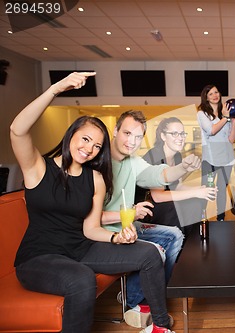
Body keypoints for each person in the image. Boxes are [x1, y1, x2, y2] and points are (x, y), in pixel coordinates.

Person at [10, 72, 174, 333]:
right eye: (85, 139)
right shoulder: (38, 168)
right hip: (39, 258)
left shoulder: (95, 178)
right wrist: (55, 89)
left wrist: (117, 238)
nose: (90, 148)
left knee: (151, 254)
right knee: (82, 279)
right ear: (71, 134)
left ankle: (161, 326)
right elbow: (17, 130)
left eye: (97, 146)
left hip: (81, 249)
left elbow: (90, 229)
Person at [101, 110, 199, 329]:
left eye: (138, 137)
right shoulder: (99, 164)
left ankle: (138, 296)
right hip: (108, 231)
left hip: (130, 223)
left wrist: (183, 167)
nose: (132, 141)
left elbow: (159, 176)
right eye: (127, 133)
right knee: (157, 247)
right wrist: (130, 214)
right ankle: (144, 301)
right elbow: (89, 218)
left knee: (174, 234)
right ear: (115, 131)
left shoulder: (133, 161)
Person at [139, 117, 217, 236]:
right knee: (177, 208)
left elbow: (178, 186)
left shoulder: (177, 156)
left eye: (182, 133)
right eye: (174, 134)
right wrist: (195, 193)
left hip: (161, 204)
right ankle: (178, 244)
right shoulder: (154, 156)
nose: (180, 138)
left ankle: (189, 244)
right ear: (163, 136)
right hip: (145, 209)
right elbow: (158, 196)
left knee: (195, 202)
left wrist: (201, 190)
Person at [197, 84, 235, 221]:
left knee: (222, 189)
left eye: (216, 92)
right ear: (206, 97)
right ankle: (201, 216)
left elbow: (232, 139)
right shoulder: (202, 114)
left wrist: (233, 122)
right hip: (209, 158)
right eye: (210, 94)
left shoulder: (225, 115)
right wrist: (226, 118)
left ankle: (220, 218)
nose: (215, 95)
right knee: (206, 189)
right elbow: (211, 130)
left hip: (226, 158)